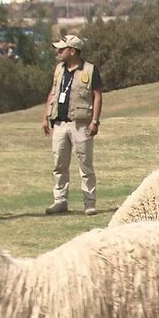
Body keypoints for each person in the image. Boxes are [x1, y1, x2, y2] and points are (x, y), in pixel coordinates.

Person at [42, 35, 103, 216]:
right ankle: (60, 200)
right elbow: (53, 92)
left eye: (62, 49)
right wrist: (46, 116)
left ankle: (89, 202)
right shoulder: (59, 69)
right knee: (59, 164)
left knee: (85, 165)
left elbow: (97, 96)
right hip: (60, 123)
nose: (58, 52)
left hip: (81, 124)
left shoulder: (90, 70)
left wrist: (95, 121)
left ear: (72, 51)